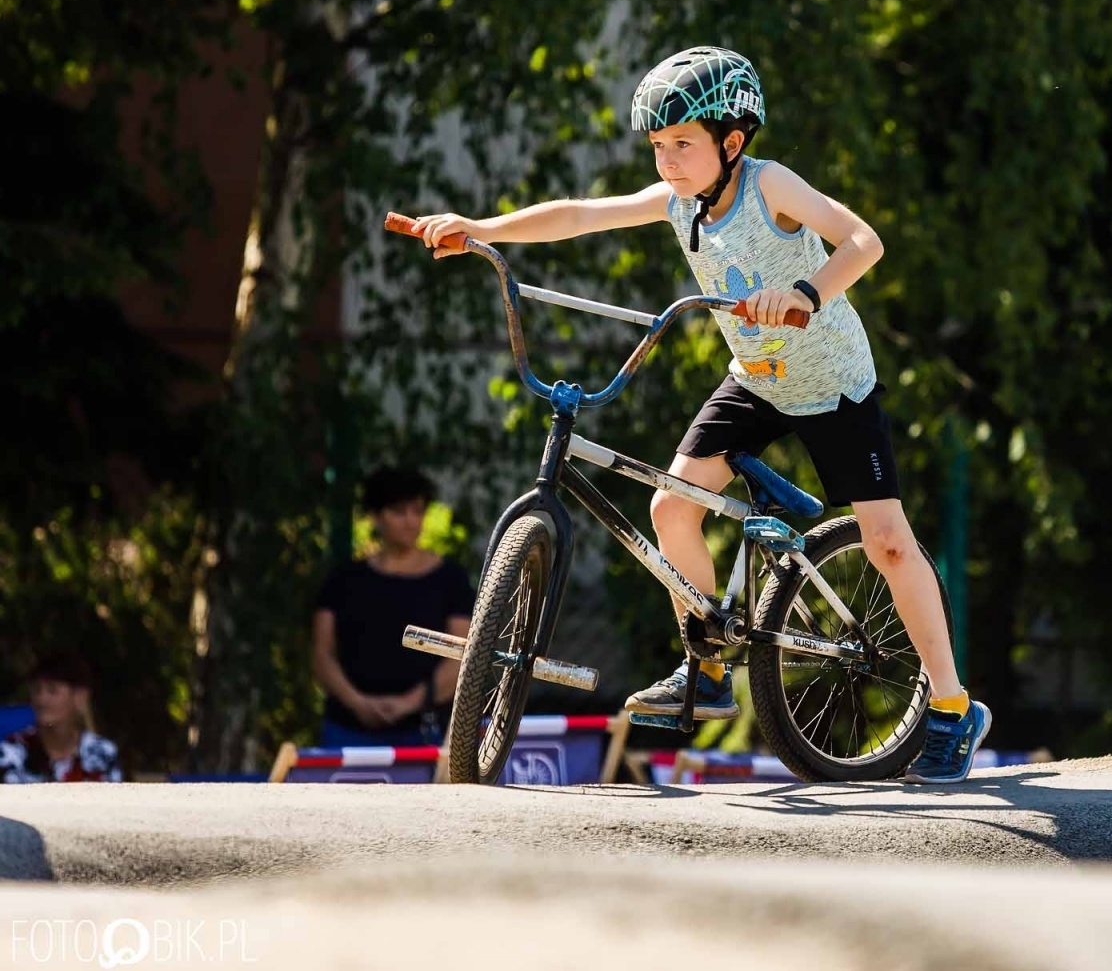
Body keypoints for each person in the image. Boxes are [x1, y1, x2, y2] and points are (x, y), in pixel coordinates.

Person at [411, 46, 990, 782]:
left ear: (732, 142)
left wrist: (808, 293)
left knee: (889, 543)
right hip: (754, 378)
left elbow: (863, 241)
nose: (668, 161)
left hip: (832, 382)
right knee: (671, 508)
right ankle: (708, 666)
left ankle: (949, 706)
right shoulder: (678, 201)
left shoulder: (768, 185)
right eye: (658, 147)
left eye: (683, 143)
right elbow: (584, 214)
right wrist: (482, 227)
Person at [312, 466, 475, 747]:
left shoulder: (452, 580)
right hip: (347, 731)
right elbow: (322, 654)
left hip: (425, 732)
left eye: (418, 511)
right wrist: (358, 703)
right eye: (399, 512)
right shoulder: (343, 580)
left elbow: (461, 656)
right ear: (375, 517)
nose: (411, 521)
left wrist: (408, 703)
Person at [0, 652, 122, 783]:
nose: (42, 699)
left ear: (80, 697)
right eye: (37, 690)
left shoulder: (103, 753)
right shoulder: (10, 752)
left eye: (52, 690)